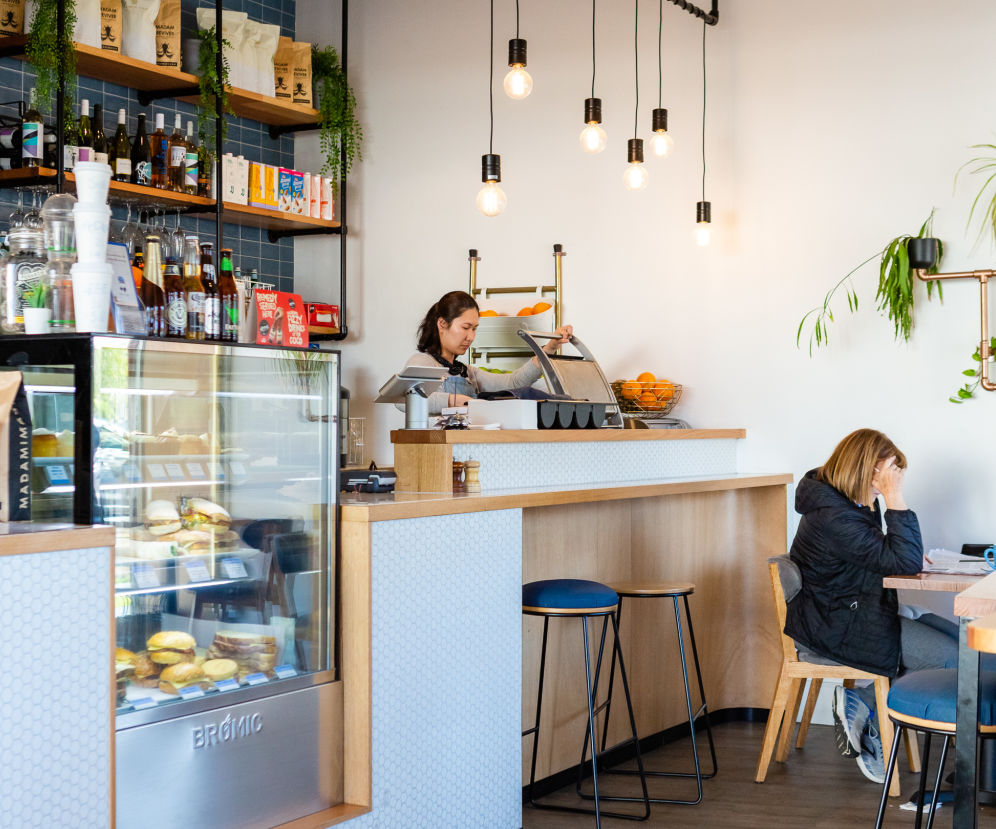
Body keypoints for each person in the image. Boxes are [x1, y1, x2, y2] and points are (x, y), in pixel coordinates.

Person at [784, 428, 958, 785]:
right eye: (883, 481)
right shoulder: (836, 516)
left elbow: (888, 557)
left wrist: (899, 551)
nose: (883, 490)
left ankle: (860, 702)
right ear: (867, 470)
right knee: (957, 660)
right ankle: (872, 719)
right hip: (836, 625)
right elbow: (902, 562)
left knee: (965, 641)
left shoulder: (842, 503)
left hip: (851, 609)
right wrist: (896, 499)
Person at [405, 290, 573, 415]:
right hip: (436, 450)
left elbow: (514, 383)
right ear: (442, 324)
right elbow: (404, 400)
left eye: (474, 329)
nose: (471, 337)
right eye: (465, 327)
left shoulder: (468, 373)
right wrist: (454, 400)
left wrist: (549, 348)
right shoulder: (423, 361)